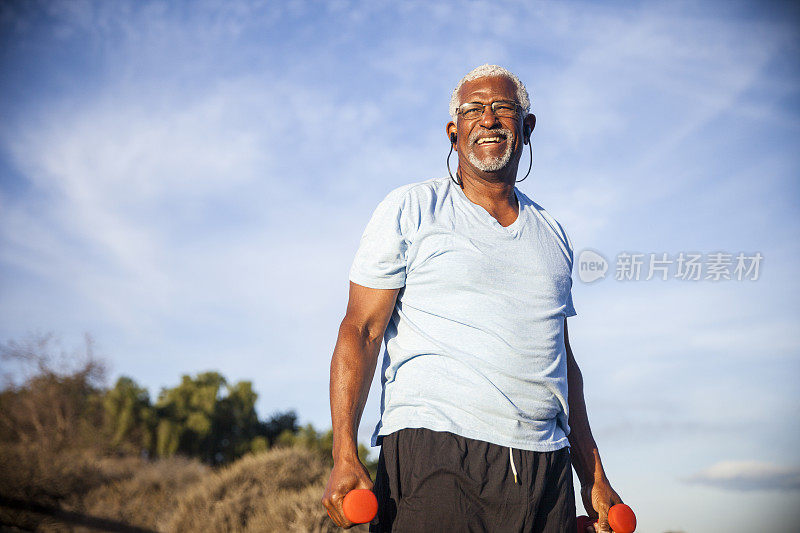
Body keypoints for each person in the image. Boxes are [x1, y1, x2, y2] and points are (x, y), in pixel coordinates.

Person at [322, 64, 623, 532]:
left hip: (545, 467)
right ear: (453, 131)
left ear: (527, 127)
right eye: (473, 110)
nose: (488, 119)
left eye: (504, 108)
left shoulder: (552, 233)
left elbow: (562, 358)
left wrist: (593, 474)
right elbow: (361, 330)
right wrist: (344, 451)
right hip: (435, 450)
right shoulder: (411, 207)